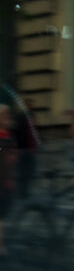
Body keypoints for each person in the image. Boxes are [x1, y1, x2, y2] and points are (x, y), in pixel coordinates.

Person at [0, 105, 15, 256]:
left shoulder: (7, 134)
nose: (8, 118)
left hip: (6, 179)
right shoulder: (2, 136)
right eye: (5, 116)